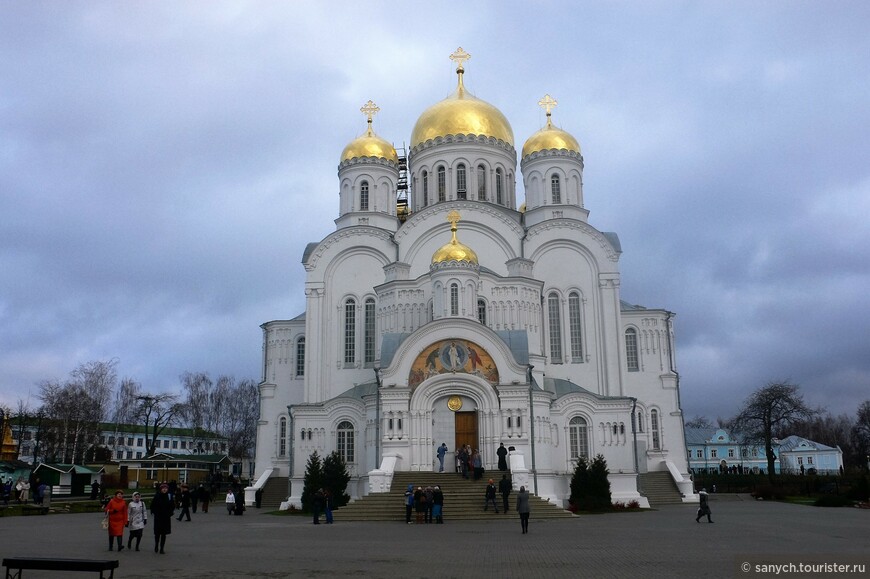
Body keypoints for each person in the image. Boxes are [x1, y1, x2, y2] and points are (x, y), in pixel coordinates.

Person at [150, 483, 174, 554]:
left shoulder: (169, 497)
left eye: (166, 488)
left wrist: (170, 513)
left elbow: (172, 506)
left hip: (166, 518)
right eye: (163, 488)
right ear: (161, 489)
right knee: (157, 533)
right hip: (158, 517)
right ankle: (156, 545)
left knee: (164, 534)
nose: (164, 489)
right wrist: (154, 512)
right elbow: (153, 505)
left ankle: (162, 548)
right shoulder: (157, 496)